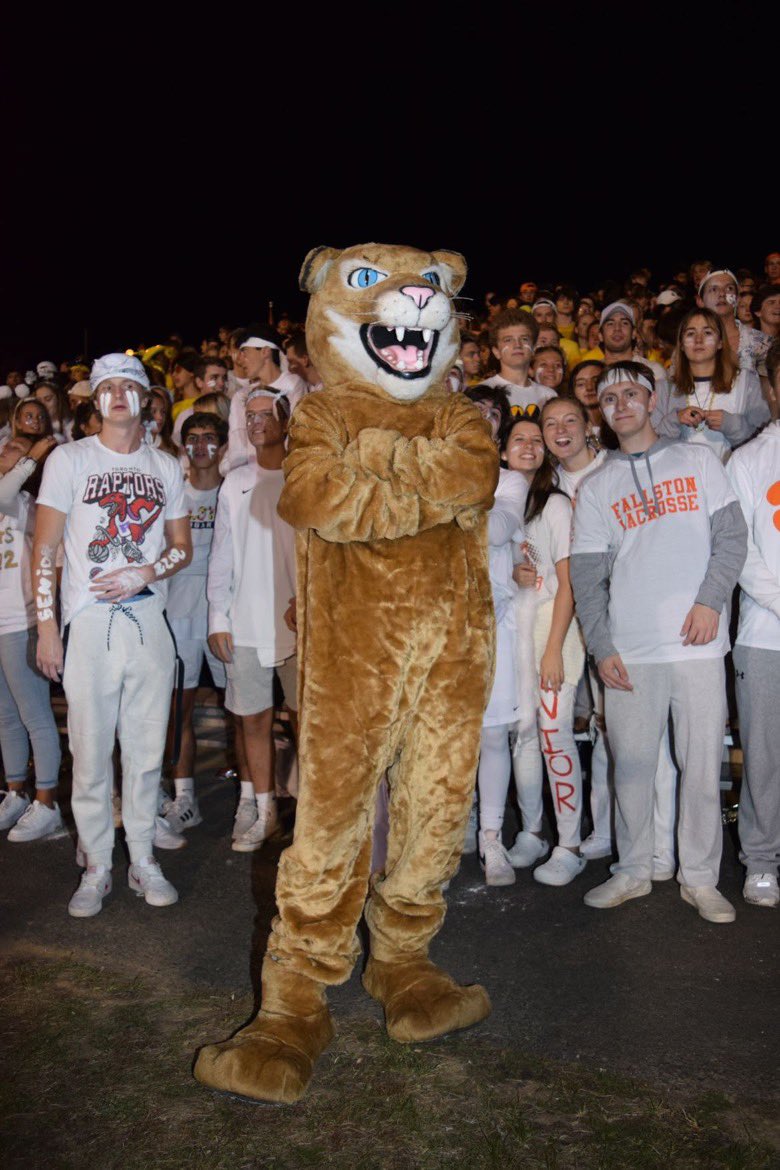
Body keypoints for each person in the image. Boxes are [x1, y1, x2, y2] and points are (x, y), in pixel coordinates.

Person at [570, 362, 747, 923]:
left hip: (696, 644)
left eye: (630, 394)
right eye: (608, 398)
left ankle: (700, 878)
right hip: (632, 650)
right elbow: (586, 576)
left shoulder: (697, 458)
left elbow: (732, 539)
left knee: (699, 768)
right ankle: (633, 870)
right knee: (632, 765)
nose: (620, 405)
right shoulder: (597, 485)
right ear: (602, 411)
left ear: (651, 400)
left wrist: (709, 602)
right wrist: (601, 647)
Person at [33, 353, 192, 918]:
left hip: (149, 618)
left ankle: (143, 856)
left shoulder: (165, 465)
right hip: (89, 619)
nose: (119, 395)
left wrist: (149, 570)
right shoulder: (69, 459)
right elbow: (45, 548)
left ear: (147, 398)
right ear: (94, 400)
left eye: (130, 386)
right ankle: (98, 862)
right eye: (108, 387)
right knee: (92, 748)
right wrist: (48, 627)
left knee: (147, 750)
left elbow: (181, 546)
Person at [207, 390, 297, 851]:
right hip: (245, 622)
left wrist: (308, 600)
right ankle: (264, 812)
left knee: (308, 724)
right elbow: (220, 556)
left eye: (267, 415)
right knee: (253, 721)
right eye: (252, 416)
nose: (258, 422)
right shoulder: (234, 481)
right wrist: (218, 617)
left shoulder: (306, 477)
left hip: (302, 626)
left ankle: (313, 816)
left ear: (286, 420)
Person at [504, 413, 587, 886]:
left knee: (555, 734)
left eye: (538, 440)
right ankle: (533, 832)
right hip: (511, 635)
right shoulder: (494, 504)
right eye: (520, 439)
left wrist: (553, 648)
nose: (531, 446)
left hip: (552, 635)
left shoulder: (554, 505)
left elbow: (568, 581)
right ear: (503, 449)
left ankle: (569, 843)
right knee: (524, 737)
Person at [466, 390, 526, 885]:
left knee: (491, 735)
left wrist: (445, 508)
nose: (483, 420)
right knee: (443, 736)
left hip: (494, 620)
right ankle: (451, 828)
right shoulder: (439, 469)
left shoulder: (511, 479)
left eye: (493, 414)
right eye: (475, 411)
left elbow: (498, 529)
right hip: (443, 622)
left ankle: (492, 839)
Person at [161, 412, 229, 835]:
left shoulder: (234, 491)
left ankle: (253, 797)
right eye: (192, 438)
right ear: (182, 446)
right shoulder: (175, 494)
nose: (200, 446)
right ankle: (184, 797)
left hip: (225, 614)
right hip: (179, 611)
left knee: (240, 708)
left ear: (222, 446)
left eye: (208, 438)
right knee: (179, 708)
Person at [726, 416, 780, 907]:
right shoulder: (748, 459)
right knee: (764, 755)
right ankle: (762, 860)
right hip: (765, 635)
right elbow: (738, 549)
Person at [0, 433, 65, 841]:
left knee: (35, 717)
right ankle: (15, 793)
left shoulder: (26, 506)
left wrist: (35, 455)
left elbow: (6, 492)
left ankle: (48, 802)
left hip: (21, 621)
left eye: (12, 449)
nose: (3, 450)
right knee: (5, 718)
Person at [654, 307, 769, 463]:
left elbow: (764, 443)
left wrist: (732, 425)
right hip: (682, 482)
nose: (698, 340)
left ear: (720, 342)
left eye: (707, 333)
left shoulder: (746, 383)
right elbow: (652, 447)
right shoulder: (663, 389)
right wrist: (675, 420)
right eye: (690, 333)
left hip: (731, 481)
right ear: (681, 344)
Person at [221, 326, 307, 475]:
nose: (240, 360)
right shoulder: (241, 395)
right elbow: (238, 442)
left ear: (265, 351)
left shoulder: (293, 384)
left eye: (245, 352)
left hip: (285, 473)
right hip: (250, 476)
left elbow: (297, 433)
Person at [697, 269, 770, 374]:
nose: (722, 293)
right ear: (700, 301)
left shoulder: (761, 342)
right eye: (713, 289)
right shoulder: (690, 342)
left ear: (737, 298)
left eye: (729, 288)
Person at [482, 309, 555, 410]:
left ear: (534, 348)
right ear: (496, 352)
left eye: (524, 339)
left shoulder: (548, 396)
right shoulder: (483, 392)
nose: (517, 345)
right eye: (508, 340)